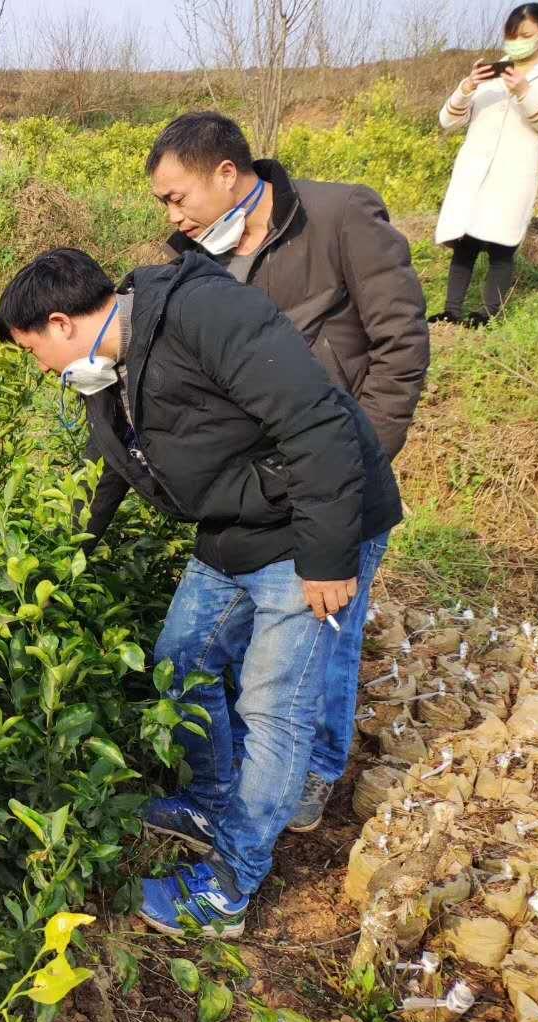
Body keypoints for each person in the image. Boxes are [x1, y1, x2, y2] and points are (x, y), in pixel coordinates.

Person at [0, 248, 402, 937]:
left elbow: (319, 424)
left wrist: (330, 559)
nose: (42, 370)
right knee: (181, 662)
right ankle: (213, 799)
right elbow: (112, 473)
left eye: (34, 351)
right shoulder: (107, 375)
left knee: (274, 709)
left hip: (308, 532)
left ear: (61, 323)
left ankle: (230, 885)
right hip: (233, 525)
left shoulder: (203, 313)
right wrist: (66, 558)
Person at [146, 111, 428, 833]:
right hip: (266, 482)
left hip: (337, 469)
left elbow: (401, 341)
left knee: (329, 630)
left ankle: (319, 774)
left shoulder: (337, 215)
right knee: (280, 643)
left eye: (177, 197)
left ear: (227, 174)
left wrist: (362, 454)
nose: (172, 215)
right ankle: (263, 769)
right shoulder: (198, 255)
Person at [433, 3, 538, 326]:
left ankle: (487, 315)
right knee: (465, 242)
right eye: (511, 35)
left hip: (513, 172)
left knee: (500, 247)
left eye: (525, 35)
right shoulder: (496, 71)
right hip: (475, 169)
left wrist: (524, 91)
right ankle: (452, 311)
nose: (517, 41)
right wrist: (467, 88)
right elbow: (448, 121)